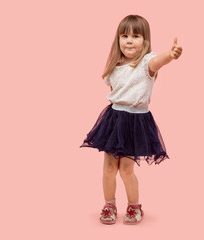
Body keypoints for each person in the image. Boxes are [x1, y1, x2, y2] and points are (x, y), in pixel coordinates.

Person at [80, 14, 182, 225]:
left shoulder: (146, 63)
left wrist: (170, 55)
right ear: (118, 39)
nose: (129, 40)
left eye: (136, 36)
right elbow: (116, 90)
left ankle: (134, 206)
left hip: (135, 122)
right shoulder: (115, 66)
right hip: (114, 119)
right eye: (124, 35)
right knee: (108, 167)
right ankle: (109, 204)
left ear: (145, 41)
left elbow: (158, 61)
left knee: (126, 169)